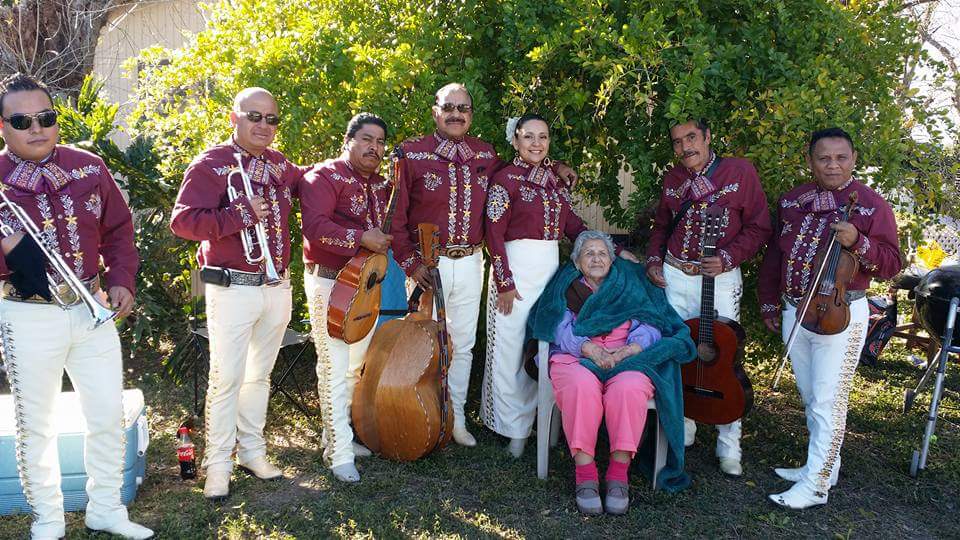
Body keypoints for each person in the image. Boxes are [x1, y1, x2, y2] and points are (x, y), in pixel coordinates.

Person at [0, 73, 152, 539]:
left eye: (46, 117)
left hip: (91, 306)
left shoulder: (88, 166)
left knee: (106, 414)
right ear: (2, 126)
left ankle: (105, 508)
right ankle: (47, 519)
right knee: (36, 425)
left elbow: (119, 232)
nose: (37, 128)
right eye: (22, 120)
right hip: (27, 314)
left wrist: (122, 280)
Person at [391, 83, 578, 446]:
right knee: (421, 342)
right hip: (428, 264)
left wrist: (558, 165)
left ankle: (456, 417)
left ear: (471, 114)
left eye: (463, 108)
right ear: (435, 111)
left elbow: (528, 161)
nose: (456, 114)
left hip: (472, 260)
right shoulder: (410, 154)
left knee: (462, 343)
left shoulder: (485, 154)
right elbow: (395, 220)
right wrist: (411, 264)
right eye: (449, 107)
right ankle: (417, 414)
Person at [758, 127, 901, 509]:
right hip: (796, 309)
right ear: (811, 161)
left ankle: (816, 485)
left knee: (828, 400)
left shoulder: (872, 206)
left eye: (841, 158)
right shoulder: (793, 201)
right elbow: (776, 254)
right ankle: (823, 466)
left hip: (841, 314)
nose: (832, 165)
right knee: (809, 395)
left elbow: (891, 264)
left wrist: (859, 242)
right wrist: (770, 302)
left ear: (853, 159)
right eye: (824, 158)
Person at [170, 87, 302, 501]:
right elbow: (183, 222)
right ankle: (217, 464)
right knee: (226, 379)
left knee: (259, 376)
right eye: (254, 116)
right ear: (235, 117)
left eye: (272, 119)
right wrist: (240, 214)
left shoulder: (281, 165)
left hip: (276, 287)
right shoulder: (211, 164)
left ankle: (251, 451)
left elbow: (317, 182)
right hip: (231, 288)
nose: (264, 126)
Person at [481, 114, 638, 458]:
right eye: (528, 137)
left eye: (543, 137)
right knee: (510, 347)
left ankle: (541, 420)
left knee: (543, 346)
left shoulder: (553, 180)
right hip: (515, 271)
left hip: (550, 275)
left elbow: (574, 227)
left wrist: (618, 251)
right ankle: (513, 429)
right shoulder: (504, 180)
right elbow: (493, 233)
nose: (536, 143)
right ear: (516, 141)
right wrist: (504, 281)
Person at [527, 230, 694, 515]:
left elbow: (652, 323)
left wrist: (629, 350)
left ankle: (618, 473)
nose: (596, 258)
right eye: (588, 253)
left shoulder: (629, 284)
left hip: (625, 356)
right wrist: (589, 349)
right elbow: (555, 326)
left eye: (602, 253)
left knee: (629, 389)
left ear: (612, 259)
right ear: (577, 263)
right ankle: (585, 473)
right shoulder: (566, 286)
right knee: (580, 386)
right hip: (575, 355)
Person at [644, 118, 771, 477]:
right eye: (678, 142)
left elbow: (760, 226)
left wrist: (728, 258)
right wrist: (654, 261)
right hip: (674, 276)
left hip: (718, 277)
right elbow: (662, 227)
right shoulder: (673, 179)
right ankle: (683, 427)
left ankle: (729, 444)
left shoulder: (738, 172)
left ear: (708, 136)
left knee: (725, 354)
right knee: (679, 352)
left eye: (692, 138)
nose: (685, 147)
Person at [299, 113, 392, 482]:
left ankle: (338, 434)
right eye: (367, 139)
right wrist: (359, 238)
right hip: (329, 283)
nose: (375, 147)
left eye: (381, 142)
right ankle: (337, 453)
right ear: (348, 140)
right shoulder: (324, 176)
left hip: (365, 285)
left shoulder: (383, 185)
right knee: (335, 368)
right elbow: (316, 227)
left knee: (354, 368)